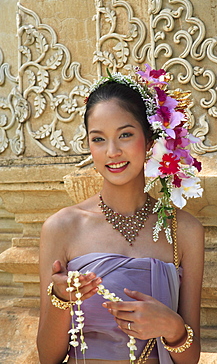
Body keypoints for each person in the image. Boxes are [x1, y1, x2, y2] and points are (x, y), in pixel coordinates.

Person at [37, 64, 204, 364]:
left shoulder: (185, 231)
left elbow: (190, 358)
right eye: (98, 139)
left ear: (151, 140)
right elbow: (48, 357)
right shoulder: (61, 228)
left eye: (125, 135)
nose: (112, 151)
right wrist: (61, 300)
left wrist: (172, 327)